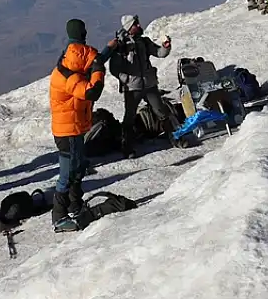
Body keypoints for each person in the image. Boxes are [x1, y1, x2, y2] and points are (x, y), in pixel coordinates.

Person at [48, 19, 115, 232]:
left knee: (78, 170)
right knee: (67, 174)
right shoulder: (67, 75)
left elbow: (93, 62)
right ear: (84, 34)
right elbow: (92, 90)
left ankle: (76, 207)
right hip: (67, 132)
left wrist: (110, 49)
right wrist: (98, 71)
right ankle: (58, 217)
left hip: (74, 129)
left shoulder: (69, 59)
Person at [114, 14, 179, 158]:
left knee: (161, 111)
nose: (139, 26)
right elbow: (114, 68)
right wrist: (127, 79)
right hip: (132, 88)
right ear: (130, 27)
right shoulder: (121, 46)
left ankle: (174, 138)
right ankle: (127, 147)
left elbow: (159, 53)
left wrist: (165, 47)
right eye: (136, 24)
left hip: (149, 84)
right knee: (129, 117)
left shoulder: (143, 42)